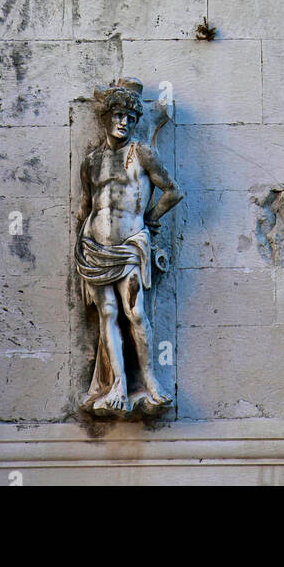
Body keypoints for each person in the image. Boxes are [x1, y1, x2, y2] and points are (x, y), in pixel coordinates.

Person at [75, 79, 183, 415]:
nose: (124, 122)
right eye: (118, 115)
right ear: (106, 118)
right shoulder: (92, 162)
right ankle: (118, 384)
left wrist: (149, 219)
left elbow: (172, 191)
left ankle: (150, 381)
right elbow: (87, 203)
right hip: (94, 246)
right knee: (107, 313)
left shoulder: (142, 153)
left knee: (135, 312)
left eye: (130, 118)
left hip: (130, 246)